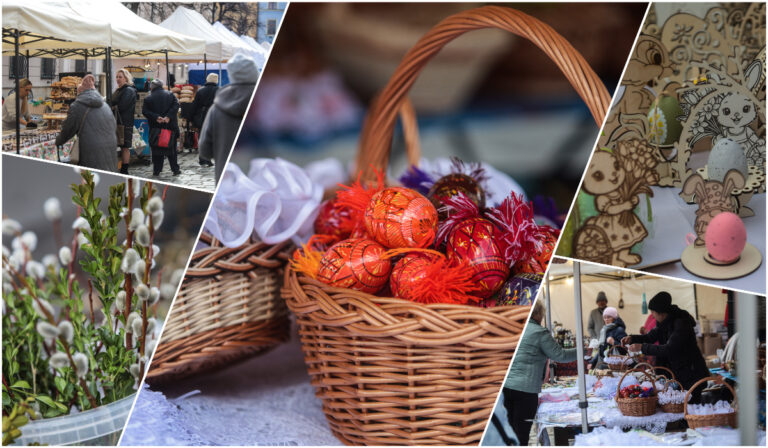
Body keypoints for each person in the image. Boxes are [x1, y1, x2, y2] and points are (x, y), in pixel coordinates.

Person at [503, 300, 578, 445]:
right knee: (521, 435)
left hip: (506, 387)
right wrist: (580, 351)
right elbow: (560, 355)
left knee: (508, 432)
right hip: (525, 390)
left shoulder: (514, 327)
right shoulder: (539, 332)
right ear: (538, 314)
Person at [622, 291, 709, 396]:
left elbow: (669, 349)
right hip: (677, 371)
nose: (652, 316)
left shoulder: (681, 323)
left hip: (690, 372)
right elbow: (650, 337)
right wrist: (632, 339)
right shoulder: (663, 322)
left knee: (690, 405)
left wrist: (642, 347)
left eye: (653, 312)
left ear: (661, 312)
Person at [199, 53, 259, 183]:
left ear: (231, 75)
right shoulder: (267, 102)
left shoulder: (216, 109)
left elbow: (205, 150)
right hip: (263, 182)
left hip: (227, 182)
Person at [55, 75, 117, 171]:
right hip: (110, 148)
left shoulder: (77, 106)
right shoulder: (105, 105)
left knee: (91, 180)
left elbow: (67, 130)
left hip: (92, 150)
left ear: (80, 92)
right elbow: (114, 125)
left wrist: (58, 141)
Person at [142, 79, 181, 176]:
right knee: (171, 150)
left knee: (156, 150)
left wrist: (156, 117)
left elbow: (145, 111)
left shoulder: (148, 98)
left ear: (152, 87)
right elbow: (176, 105)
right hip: (170, 127)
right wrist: (168, 116)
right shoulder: (170, 94)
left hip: (156, 128)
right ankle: (175, 169)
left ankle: (157, 170)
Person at [111, 68, 138, 175]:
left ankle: (124, 169)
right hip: (116, 121)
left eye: (120, 77)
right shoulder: (119, 90)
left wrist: (113, 106)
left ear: (126, 78)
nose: (118, 79)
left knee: (125, 147)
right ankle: (118, 166)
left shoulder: (128, 90)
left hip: (125, 123)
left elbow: (122, 106)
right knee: (119, 146)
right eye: (117, 77)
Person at [192, 73, 219, 167]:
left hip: (202, 117)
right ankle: (209, 159)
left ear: (207, 79)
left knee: (202, 137)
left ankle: (203, 159)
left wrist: (193, 119)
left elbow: (194, 106)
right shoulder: (220, 91)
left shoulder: (200, 91)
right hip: (215, 116)